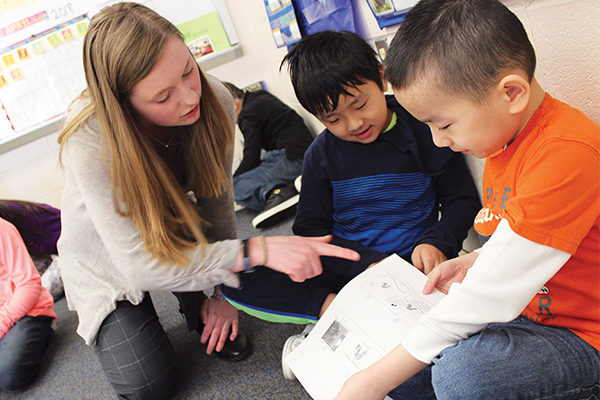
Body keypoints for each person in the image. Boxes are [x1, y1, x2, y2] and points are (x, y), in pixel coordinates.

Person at [56, 3, 359, 399]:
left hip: (180, 228)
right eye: (163, 95)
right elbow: (138, 266)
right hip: (108, 257)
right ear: (123, 104)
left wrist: (219, 291)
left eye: (187, 70)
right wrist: (256, 250)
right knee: (148, 385)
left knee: (222, 281)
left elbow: (216, 201)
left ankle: (195, 295)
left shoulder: (213, 95)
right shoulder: (89, 137)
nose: (188, 98)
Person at [334, 0, 600, 399]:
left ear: (511, 93)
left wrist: (372, 383)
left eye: (443, 125)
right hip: (525, 310)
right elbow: (530, 240)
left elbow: (492, 292)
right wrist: (476, 261)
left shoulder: (567, 153)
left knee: (461, 376)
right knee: (406, 353)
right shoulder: (502, 137)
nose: (440, 141)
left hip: (583, 334)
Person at [220, 30, 480, 377]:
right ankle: (332, 316)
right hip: (349, 272)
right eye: (332, 119)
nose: (354, 123)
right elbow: (310, 232)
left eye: (359, 104)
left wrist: (437, 241)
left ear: (381, 75)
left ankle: (335, 337)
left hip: (415, 269)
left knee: (464, 338)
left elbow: (461, 198)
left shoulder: (422, 128)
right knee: (232, 269)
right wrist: (364, 266)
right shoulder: (320, 157)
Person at [222, 82, 314, 229]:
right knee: (250, 173)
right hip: (300, 152)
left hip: (293, 158)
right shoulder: (258, 96)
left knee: (234, 186)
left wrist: (231, 181)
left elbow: (251, 155)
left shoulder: (247, 115)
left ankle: (279, 194)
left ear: (232, 104)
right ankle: (292, 185)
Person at [0, 217, 55, 391]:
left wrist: (1, 324)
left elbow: (29, 285)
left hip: (27, 312)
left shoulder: (3, 228)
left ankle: (41, 335)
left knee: (8, 375)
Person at [0, 200, 64, 300]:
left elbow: (28, 284)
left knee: (30, 298)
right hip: (46, 256)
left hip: (66, 254)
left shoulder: (5, 223)